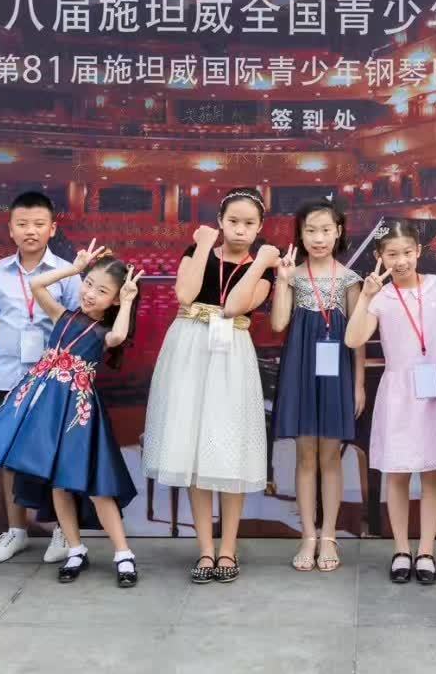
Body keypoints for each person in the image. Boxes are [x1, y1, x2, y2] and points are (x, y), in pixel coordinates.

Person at [0, 242, 143, 587]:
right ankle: (75, 549)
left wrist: (128, 299)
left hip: (78, 414)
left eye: (102, 291)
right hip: (45, 406)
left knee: (97, 487)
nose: (90, 293)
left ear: (114, 300)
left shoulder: (103, 333)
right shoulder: (63, 315)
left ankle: (123, 554)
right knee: (58, 484)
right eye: (88, 284)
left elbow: (120, 335)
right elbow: (36, 284)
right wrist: (74, 270)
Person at [142, 187, 276, 584]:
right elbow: (185, 294)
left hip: (232, 352)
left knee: (229, 449)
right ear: (219, 221)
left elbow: (234, 307)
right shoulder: (196, 250)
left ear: (260, 227)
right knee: (193, 451)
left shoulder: (264, 267)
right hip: (188, 349)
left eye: (249, 223)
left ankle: (228, 548)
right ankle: (204, 549)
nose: (240, 229)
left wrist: (260, 262)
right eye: (232, 221)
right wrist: (202, 245)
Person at [344, 220, 436, 587]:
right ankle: (401, 549)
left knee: (434, 471)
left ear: (418, 251)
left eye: (406, 253)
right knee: (398, 471)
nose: (400, 261)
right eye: (392, 254)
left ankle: (427, 550)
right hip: (400, 390)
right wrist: (366, 296)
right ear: (379, 256)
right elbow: (353, 340)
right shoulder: (380, 297)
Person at [0, 191, 79, 566]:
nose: (30, 231)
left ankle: (62, 530)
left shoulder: (68, 272)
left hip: (52, 378)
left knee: (53, 454)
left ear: (53, 228)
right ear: (10, 229)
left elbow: (77, 327)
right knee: (9, 455)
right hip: (6, 375)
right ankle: (16, 530)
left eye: (38, 224)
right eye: (22, 224)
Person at [269, 200, 364, 572]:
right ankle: (307, 535)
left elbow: (357, 338)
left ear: (338, 231)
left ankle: (329, 536)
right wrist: (281, 281)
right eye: (311, 230)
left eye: (326, 230)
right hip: (301, 369)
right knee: (305, 455)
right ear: (301, 233)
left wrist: (359, 385)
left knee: (330, 457)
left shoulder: (350, 279)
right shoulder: (292, 276)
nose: (319, 238)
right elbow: (279, 324)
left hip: (338, 372)